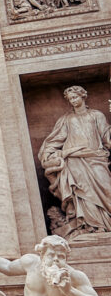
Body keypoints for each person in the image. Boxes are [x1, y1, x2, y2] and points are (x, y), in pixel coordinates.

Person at [38, 85, 111, 235]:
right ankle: (89, 226)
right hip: (74, 161)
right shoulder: (66, 119)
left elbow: (106, 136)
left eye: (75, 97)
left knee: (106, 188)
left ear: (83, 96)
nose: (73, 101)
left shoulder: (97, 115)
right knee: (81, 192)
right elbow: (56, 139)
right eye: (70, 99)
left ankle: (106, 223)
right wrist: (49, 153)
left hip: (95, 158)